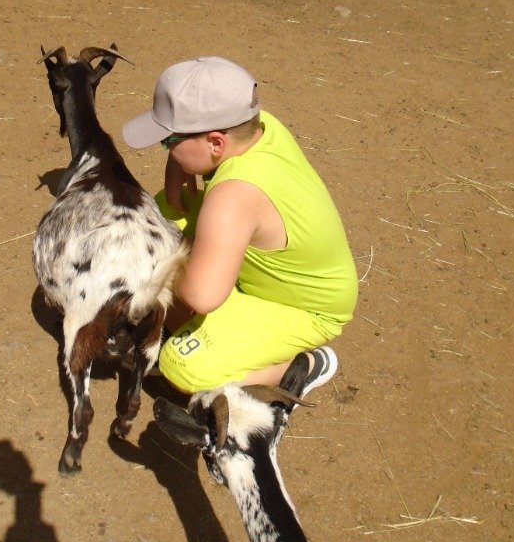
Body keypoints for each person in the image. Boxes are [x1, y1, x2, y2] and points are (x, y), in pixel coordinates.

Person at [122, 56, 359, 393]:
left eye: (168, 142)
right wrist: (179, 167)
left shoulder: (233, 197)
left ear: (216, 142)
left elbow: (202, 297)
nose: (165, 150)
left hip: (300, 307)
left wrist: (170, 256)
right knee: (160, 214)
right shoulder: (260, 127)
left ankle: (301, 366)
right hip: (279, 263)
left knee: (184, 366)